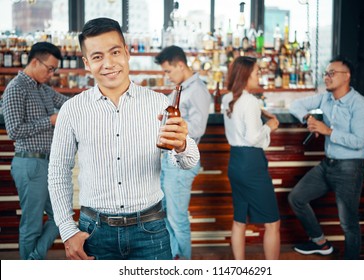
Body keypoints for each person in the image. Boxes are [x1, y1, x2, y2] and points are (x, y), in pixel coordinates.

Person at [47, 18, 200, 260]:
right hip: (94, 232)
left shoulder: (159, 103)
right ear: (87, 63)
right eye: (97, 57)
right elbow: (58, 171)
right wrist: (67, 230)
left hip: (150, 230)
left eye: (115, 52)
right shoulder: (72, 110)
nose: (108, 64)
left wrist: (182, 144)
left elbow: (188, 162)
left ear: (127, 53)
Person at [288, 56, 364, 260]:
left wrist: (328, 131)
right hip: (328, 165)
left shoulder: (360, 105)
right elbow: (295, 104)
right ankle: (320, 243)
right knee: (296, 198)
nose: (326, 77)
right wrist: (309, 118)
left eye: (331, 73)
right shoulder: (325, 98)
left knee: (348, 223)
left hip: (350, 168)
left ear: (347, 77)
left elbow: (359, 141)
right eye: (325, 73)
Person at [2, 42, 68, 260]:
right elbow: (14, 131)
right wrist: (50, 121)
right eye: (49, 68)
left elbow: (68, 104)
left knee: (61, 215)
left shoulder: (43, 89)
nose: (51, 74)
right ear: (33, 62)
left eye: (54, 70)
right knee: (31, 225)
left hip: (47, 164)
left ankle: (32, 262)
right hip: (30, 164)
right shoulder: (15, 88)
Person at [154, 45, 211, 259]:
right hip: (168, 161)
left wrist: (174, 125)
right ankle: (173, 259)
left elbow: (199, 128)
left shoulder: (197, 91)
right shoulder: (180, 89)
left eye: (168, 71)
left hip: (181, 161)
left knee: (177, 219)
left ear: (180, 65)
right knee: (164, 216)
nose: (166, 76)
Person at [221, 56, 281, 260]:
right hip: (252, 164)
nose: (259, 75)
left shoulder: (227, 98)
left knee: (239, 220)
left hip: (235, 162)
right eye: (257, 72)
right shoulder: (251, 102)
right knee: (272, 222)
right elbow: (254, 137)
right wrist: (269, 126)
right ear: (246, 75)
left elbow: (240, 113)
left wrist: (260, 110)